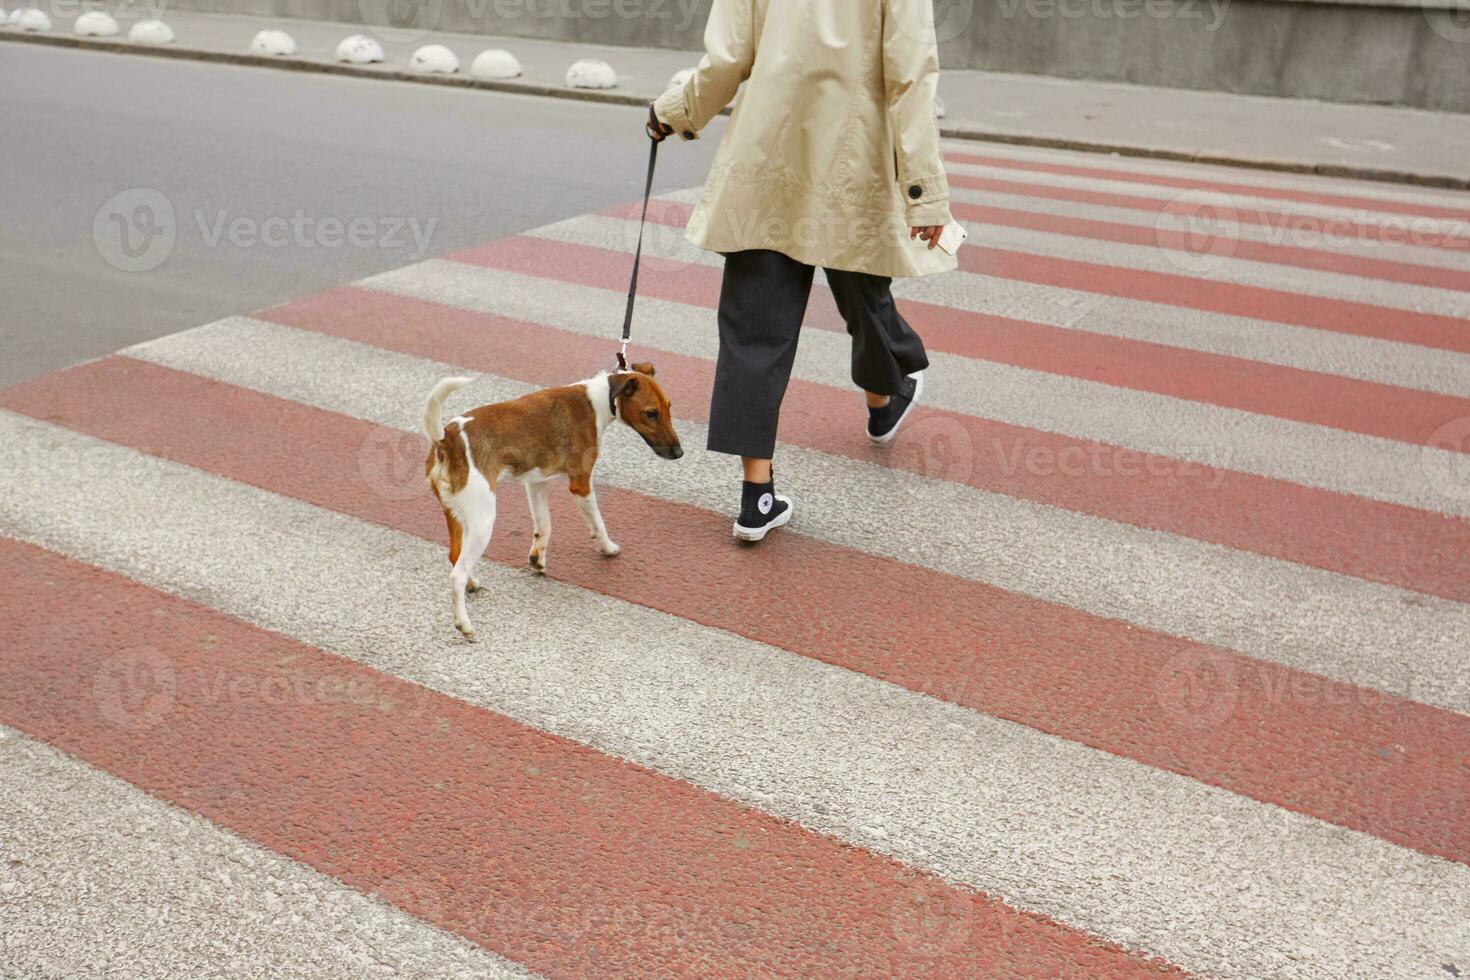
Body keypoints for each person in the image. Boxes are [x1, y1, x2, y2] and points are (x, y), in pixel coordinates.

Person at [647, 0, 957, 542]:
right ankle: (884, 399)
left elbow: (726, 58)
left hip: (768, 156)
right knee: (865, 292)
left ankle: (756, 497)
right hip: (853, 161)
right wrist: (923, 191)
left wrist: (674, 112)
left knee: (753, 326)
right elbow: (910, 75)